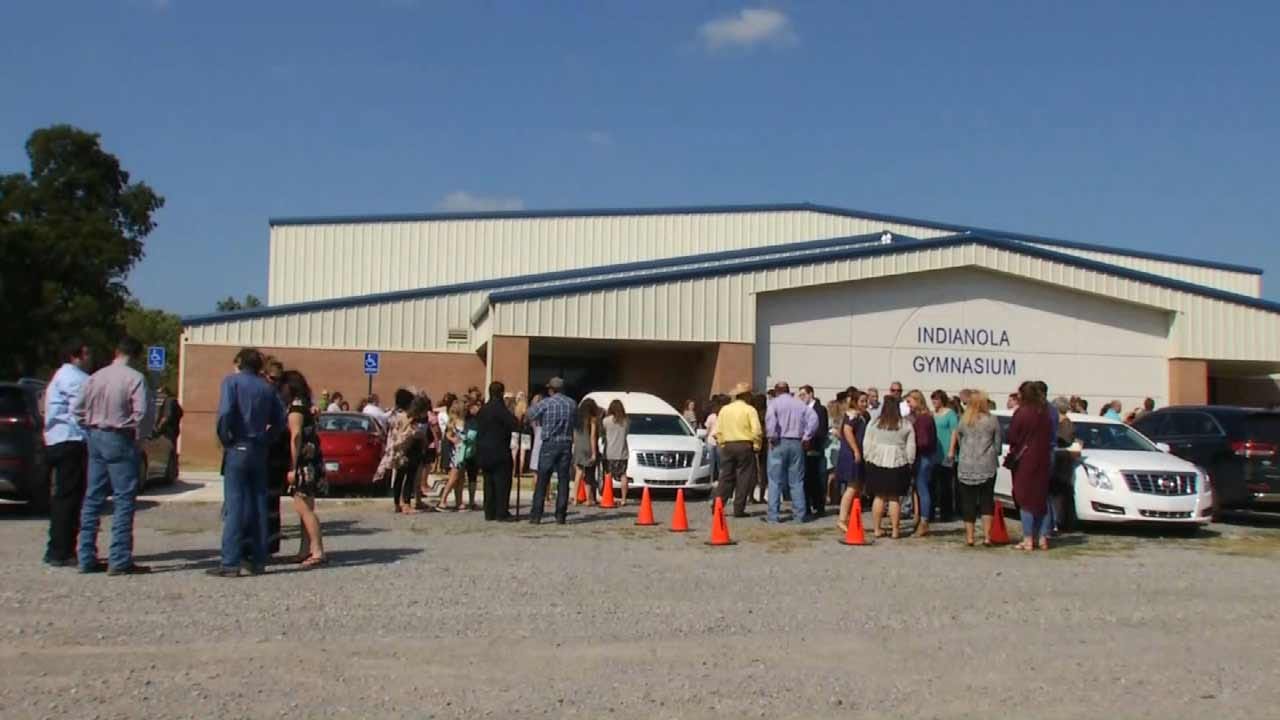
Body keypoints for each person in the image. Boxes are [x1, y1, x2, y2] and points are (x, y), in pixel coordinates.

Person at [74, 336, 154, 575]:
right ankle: (119, 558)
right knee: (124, 498)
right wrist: (140, 439)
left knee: (93, 496)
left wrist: (87, 427)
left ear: (116, 351)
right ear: (136, 355)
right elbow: (142, 413)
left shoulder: (96, 377)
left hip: (95, 434)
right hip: (120, 435)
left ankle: (85, 555)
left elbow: (77, 408)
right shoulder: (135, 378)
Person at [206, 348, 282, 577]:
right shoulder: (266, 388)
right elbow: (280, 418)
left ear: (239, 362)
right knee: (259, 503)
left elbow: (226, 412)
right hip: (259, 449)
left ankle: (230, 561)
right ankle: (258, 559)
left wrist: (226, 438)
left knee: (235, 505)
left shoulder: (232, 382)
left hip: (238, 446)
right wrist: (268, 438)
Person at [43, 338, 91, 567]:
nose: (90, 358)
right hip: (71, 439)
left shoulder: (59, 376)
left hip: (57, 439)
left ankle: (60, 547)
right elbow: (81, 407)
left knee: (65, 496)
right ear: (77, 355)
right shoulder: (74, 377)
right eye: (87, 353)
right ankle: (60, 551)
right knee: (69, 498)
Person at [278, 370, 327, 568]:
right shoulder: (306, 406)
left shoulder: (296, 408)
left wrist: (293, 465)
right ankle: (304, 549)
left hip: (303, 463)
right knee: (307, 507)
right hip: (312, 461)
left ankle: (317, 550)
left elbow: (296, 436)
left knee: (303, 508)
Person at [946, 390, 1001, 546]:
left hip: (966, 464)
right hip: (987, 464)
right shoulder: (992, 420)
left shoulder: (963, 420)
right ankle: (987, 537)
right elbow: (997, 445)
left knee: (968, 502)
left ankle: (970, 537)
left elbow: (959, 438)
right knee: (986, 501)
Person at [1007, 381, 1054, 551]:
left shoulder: (1022, 413)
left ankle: (1027, 538)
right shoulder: (1045, 413)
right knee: (1040, 499)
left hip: (1026, 460)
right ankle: (1042, 538)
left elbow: (1013, 436)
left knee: (1024, 499)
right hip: (1043, 459)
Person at [763, 382, 817, 524]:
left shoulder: (774, 404)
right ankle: (799, 515)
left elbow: (770, 421)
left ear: (776, 392)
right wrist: (807, 436)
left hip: (779, 442)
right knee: (797, 481)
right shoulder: (799, 404)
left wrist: (772, 436)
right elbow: (813, 418)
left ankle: (773, 516)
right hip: (797, 443)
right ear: (788, 391)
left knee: (775, 480)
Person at [862, 396, 915, 539]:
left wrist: (867, 457)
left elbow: (867, 442)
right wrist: (910, 460)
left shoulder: (874, 423)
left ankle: (877, 529)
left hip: (877, 460)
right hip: (898, 461)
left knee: (878, 497)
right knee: (894, 498)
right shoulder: (905, 424)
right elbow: (911, 446)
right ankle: (896, 531)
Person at [526, 378, 575, 524]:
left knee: (542, 479)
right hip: (565, 443)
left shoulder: (546, 402)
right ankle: (560, 514)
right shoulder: (571, 403)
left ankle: (536, 514)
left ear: (551, 389)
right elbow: (576, 423)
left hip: (549, 443)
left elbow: (529, 414)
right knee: (563, 480)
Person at [713, 383, 762, 518]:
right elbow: (757, 431)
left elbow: (718, 431)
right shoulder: (750, 410)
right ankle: (738, 509)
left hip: (728, 445)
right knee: (743, 478)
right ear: (746, 396)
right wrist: (757, 445)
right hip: (744, 445)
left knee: (725, 477)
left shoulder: (725, 410)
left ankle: (717, 506)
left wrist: (723, 443)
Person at [476, 381, 519, 521]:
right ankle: (501, 512)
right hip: (500, 451)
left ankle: (489, 512)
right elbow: (514, 424)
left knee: (488, 483)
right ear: (501, 393)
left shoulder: (483, 409)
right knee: (502, 483)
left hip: (484, 450)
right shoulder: (500, 409)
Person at [376, 389, 418, 513]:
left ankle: (396, 503)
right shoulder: (408, 416)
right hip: (407, 448)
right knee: (409, 477)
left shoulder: (393, 415)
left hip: (396, 449)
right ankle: (406, 503)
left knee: (399, 477)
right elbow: (409, 433)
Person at [836, 391, 869, 533]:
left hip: (858, 452)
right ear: (855, 402)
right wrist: (855, 450)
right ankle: (842, 519)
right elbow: (847, 430)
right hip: (851, 454)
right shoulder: (852, 415)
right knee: (852, 486)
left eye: (866, 401)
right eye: (862, 401)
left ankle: (850, 517)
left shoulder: (863, 416)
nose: (865, 404)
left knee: (857, 487)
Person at [798, 385, 830, 518]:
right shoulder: (801, 409)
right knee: (806, 478)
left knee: (818, 478)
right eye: (800, 395)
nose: (801, 397)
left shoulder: (820, 409)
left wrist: (809, 440)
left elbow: (821, 430)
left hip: (815, 447)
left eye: (803, 394)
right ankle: (807, 506)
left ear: (811, 394)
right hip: (803, 449)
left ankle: (819, 505)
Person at [435, 399, 469, 511]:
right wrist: (456, 440)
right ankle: (442, 500)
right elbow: (448, 435)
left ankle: (459, 501)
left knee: (461, 478)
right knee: (453, 477)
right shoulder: (453, 422)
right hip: (455, 453)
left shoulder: (464, 421)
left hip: (463, 451)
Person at [931, 390, 959, 523]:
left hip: (946, 451)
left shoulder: (950, 414)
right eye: (933, 399)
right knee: (933, 484)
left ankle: (946, 513)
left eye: (936, 399)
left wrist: (951, 450)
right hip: (934, 452)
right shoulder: (932, 414)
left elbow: (954, 431)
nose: (934, 402)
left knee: (946, 485)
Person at [601, 399, 632, 507]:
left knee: (607, 475)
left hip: (609, 452)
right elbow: (627, 433)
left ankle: (608, 496)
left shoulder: (606, 421)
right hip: (622, 452)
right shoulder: (626, 421)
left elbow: (603, 432)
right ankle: (624, 499)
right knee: (623, 475)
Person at [572, 398, 602, 506]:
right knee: (589, 474)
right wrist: (594, 452)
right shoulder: (592, 419)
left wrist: (575, 446)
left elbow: (574, 434)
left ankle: (575, 498)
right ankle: (589, 499)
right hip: (588, 447)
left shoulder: (577, 419)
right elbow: (593, 436)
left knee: (578, 473)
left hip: (578, 447)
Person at [463, 398, 482, 510]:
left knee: (472, 476)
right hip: (466, 450)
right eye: (476, 406)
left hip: (473, 451)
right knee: (460, 477)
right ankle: (461, 500)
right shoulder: (468, 420)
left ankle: (471, 500)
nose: (478, 408)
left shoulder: (478, 420)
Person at [751, 393, 769, 503]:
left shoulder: (752, 413)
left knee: (752, 471)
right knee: (763, 471)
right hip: (765, 443)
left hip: (753, 442)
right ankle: (762, 496)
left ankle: (750, 496)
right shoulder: (767, 413)